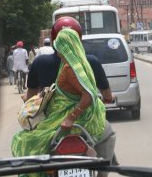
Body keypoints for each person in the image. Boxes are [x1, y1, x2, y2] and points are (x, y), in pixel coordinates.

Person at [11, 28, 112, 177]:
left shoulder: (69, 68)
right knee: (108, 134)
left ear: (64, 47)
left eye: (59, 45)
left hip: (66, 116)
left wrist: (71, 117)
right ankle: (104, 172)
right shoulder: (79, 63)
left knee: (25, 140)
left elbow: (89, 94)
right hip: (70, 113)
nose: (56, 49)